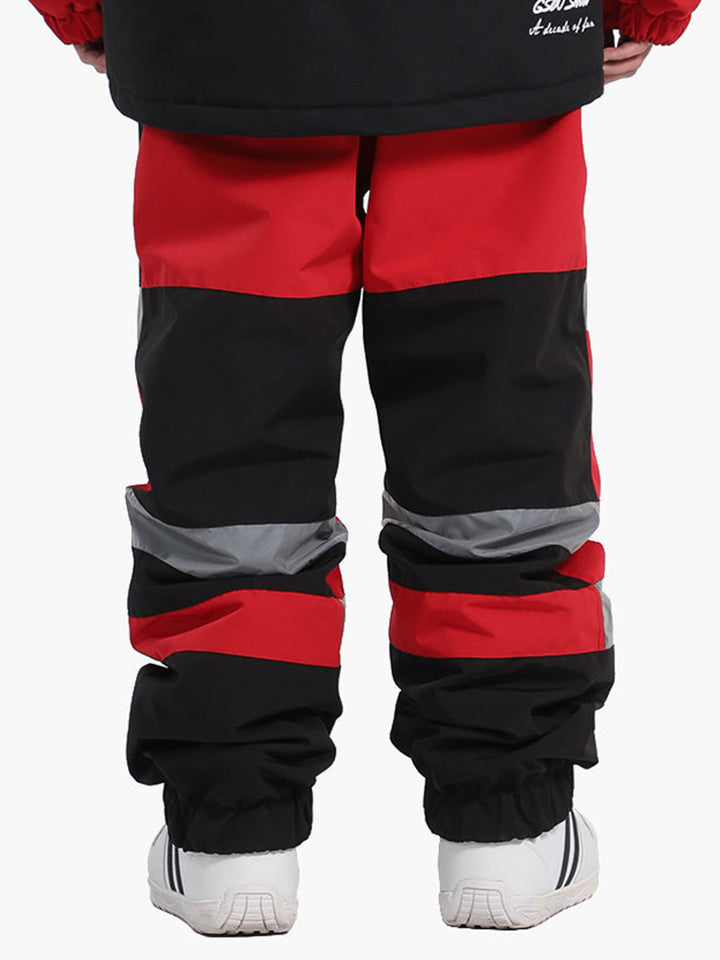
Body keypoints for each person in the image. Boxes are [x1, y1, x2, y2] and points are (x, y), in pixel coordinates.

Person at [28, 0, 701, 937]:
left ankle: (234, 834)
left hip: (222, 37)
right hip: (491, 35)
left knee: (233, 419)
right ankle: (506, 821)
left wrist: (84, 10)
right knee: (494, 415)